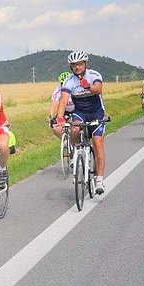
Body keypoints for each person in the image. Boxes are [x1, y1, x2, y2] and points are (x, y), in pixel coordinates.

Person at [55, 50, 107, 195]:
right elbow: (63, 100)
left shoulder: (94, 75)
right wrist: (60, 118)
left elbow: (98, 89)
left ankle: (99, 181)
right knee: (74, 129)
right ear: (71, 67)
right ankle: (76, 152)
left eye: (79, 64)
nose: (77, 67)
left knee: (97, 142)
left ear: (85, 64)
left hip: (96, 112)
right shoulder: (69, 81)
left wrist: (87, 86)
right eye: (74, 65)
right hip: (81, 112)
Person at [48, 71, 74, 138]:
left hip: (76, 109)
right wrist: (50, 115)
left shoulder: (75, 87)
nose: (65, 85)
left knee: (78, 125)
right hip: (64, 110)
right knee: (55, 127)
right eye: (63, 83)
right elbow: (54, 103)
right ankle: (65, 139)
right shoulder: (58, 91)